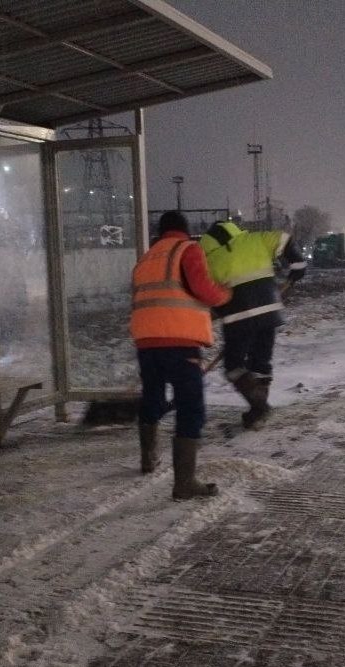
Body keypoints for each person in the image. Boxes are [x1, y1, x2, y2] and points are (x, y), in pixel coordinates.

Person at [130, 211, 232, 500]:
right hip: (179, 341)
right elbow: (203, 289)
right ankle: (184, 482)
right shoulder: (188, 250)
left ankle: (148, 458)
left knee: (152, 396)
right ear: (185, 231)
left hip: (147, 341)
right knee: (191, 407)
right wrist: (225, 296)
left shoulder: (146, 259)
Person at [199, 219, 306, 430]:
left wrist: (214, 314)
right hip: (269, 311)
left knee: (234, 365)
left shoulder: (209, 259)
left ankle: (259, 405)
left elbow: (211, 294)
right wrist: (298, 267)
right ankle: (258, 412)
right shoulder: (256, 240)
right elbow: (286, 240)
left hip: (237, 318)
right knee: (261, 360)